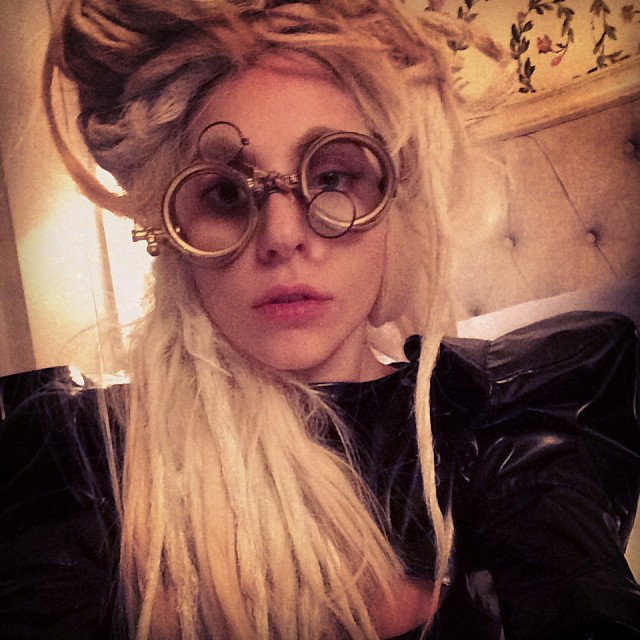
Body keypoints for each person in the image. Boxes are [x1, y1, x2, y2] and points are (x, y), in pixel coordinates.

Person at [1, 1, 639, 638]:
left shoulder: (500, 418)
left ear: (393, 201)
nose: (282, 235)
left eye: (333, 175)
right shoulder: (89, 457)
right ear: (173, 230)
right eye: (224, 192)